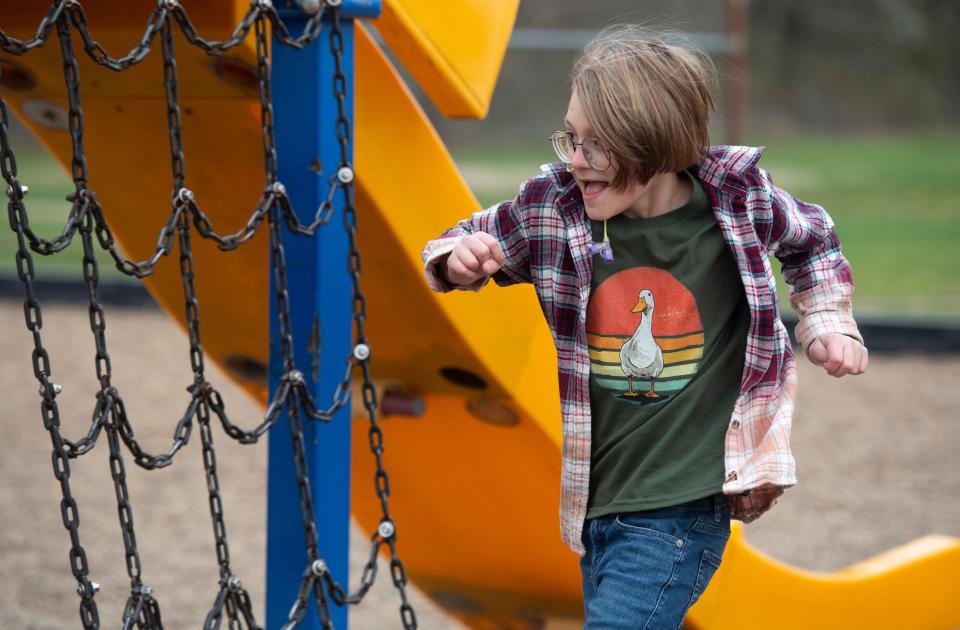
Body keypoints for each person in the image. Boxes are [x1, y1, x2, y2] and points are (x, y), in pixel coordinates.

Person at [420, 25, 868, 629]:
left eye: (595, 145)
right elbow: (458, 241)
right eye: (570, 138)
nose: (575, 159)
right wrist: (460, 257)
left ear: (655, 143)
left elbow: (812, 240)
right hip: (597, 506)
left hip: (680, 511)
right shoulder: (553, 208)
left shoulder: (736, 202)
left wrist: (826, 321)